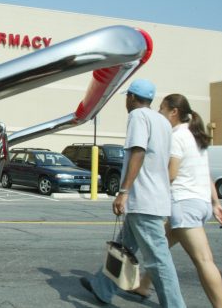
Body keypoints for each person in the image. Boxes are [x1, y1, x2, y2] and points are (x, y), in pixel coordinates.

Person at [80, 79, 186, 307]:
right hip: (155, 197)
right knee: (124, 247)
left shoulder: (138, 117)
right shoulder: (163, 122)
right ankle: (102, 287)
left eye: (127, 98)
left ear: (131, 97)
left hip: (143, 200)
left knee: (159, 260)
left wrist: (123, 191)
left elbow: (138, 151)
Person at [131, 93, 222, 307]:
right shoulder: (195, 136)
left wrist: (151, 191)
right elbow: (206, 174)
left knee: (204, 260)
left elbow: (172, 174)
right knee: (159, 249)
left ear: (173, 112)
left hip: (185, 205)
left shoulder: (176, 136)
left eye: (162, 109)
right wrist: (215, 203)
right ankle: (143, 285)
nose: (159, 113)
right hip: (200, 203)